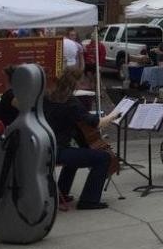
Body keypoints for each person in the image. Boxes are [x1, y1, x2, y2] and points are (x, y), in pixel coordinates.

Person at [43, 68, 116, 210]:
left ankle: (61, 192)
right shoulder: (71, 102)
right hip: (57, 151)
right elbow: (96, 123)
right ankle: (89, 200)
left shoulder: (48, 97)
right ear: (75, 84)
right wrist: (114, 115)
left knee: (76, 155)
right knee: (103, 158)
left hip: (44, 148)